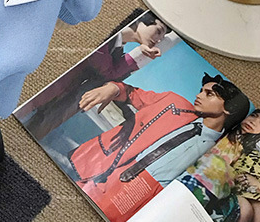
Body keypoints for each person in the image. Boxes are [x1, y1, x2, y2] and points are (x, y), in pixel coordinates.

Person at [69, 74, 250, 222]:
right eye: (201, 91)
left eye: (209, 94)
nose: (199, 95)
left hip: (152, 197)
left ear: (229, 108)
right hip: (115, 171)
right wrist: (113, 88)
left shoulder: (220, 150)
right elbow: (133, 94)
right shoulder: (175, 104)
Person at [25, 13, 168, 140]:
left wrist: (140, 54)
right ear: (142, 20)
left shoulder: (117, 50)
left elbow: (112, 76)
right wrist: (138, 54)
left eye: (162, 37)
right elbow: (108, 72)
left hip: (48, 99)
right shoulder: (106, 31)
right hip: (36, 86)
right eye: (159, 31)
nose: (159, 40)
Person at [178, 110, 260, 222]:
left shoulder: (245, 151)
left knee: (247, 209)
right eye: (253, 115)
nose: (253, 122)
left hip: (219, 186)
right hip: (197, 174)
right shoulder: (224, 129)